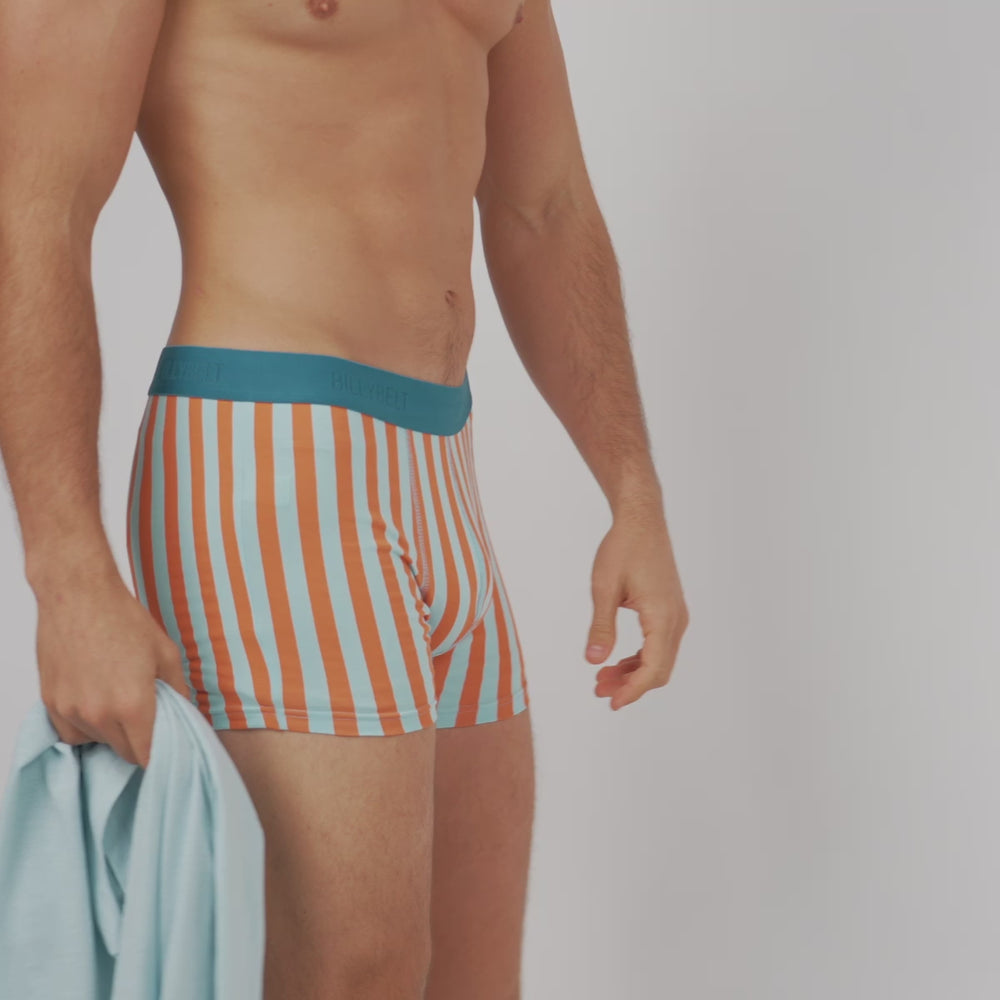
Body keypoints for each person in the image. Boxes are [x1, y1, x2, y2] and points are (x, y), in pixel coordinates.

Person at [0, 0, 689, 996]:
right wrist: (66, 575)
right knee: (353, 972)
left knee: (473, 977)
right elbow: (34, 201)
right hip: (267, 460)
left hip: (442, 468)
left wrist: (633, 490)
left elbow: (544, 205)